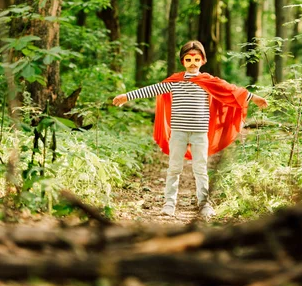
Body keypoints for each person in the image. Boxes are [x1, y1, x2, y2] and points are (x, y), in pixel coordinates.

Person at [113, 40, 268, 219]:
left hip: (200, 134)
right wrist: (126, 96)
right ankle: (169, 204)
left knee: (200, 169)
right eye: (188, 59)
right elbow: (152, 89)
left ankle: (204, 204)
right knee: (174, 168)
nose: (192, 63)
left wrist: (254, 97)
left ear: (203, 60)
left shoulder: (208, 82)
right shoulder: (175, 82)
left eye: (196, 59)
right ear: (183, 62)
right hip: (178, 132)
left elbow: (232, 90)